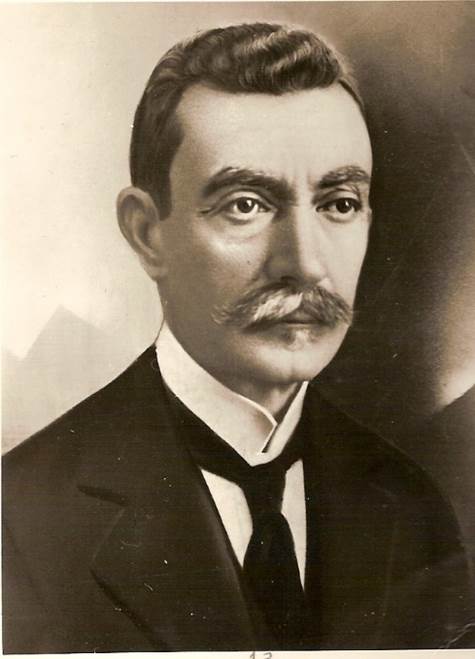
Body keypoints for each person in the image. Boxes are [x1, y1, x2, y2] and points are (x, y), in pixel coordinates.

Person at [2, 22, 474, 653]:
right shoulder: (20, 516)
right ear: (147, 233)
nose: (305, 264)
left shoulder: (415, 508)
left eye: (338, 203)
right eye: (246, 204)